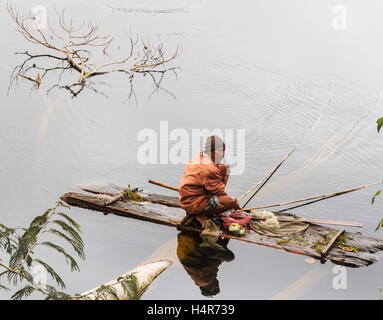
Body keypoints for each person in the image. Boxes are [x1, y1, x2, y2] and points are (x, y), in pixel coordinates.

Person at [178, 135, 240, 226]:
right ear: (211, 151)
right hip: (193, 204)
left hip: (188, 197)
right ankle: (202, 214)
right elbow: (226, 198)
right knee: (232, 201)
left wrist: (222, 195)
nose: (223, 154)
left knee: (226, 167)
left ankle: (215, 199)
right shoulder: (209, 169)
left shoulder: (201, 156)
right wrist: (235, 205)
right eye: (220, 151)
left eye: (224, 150)